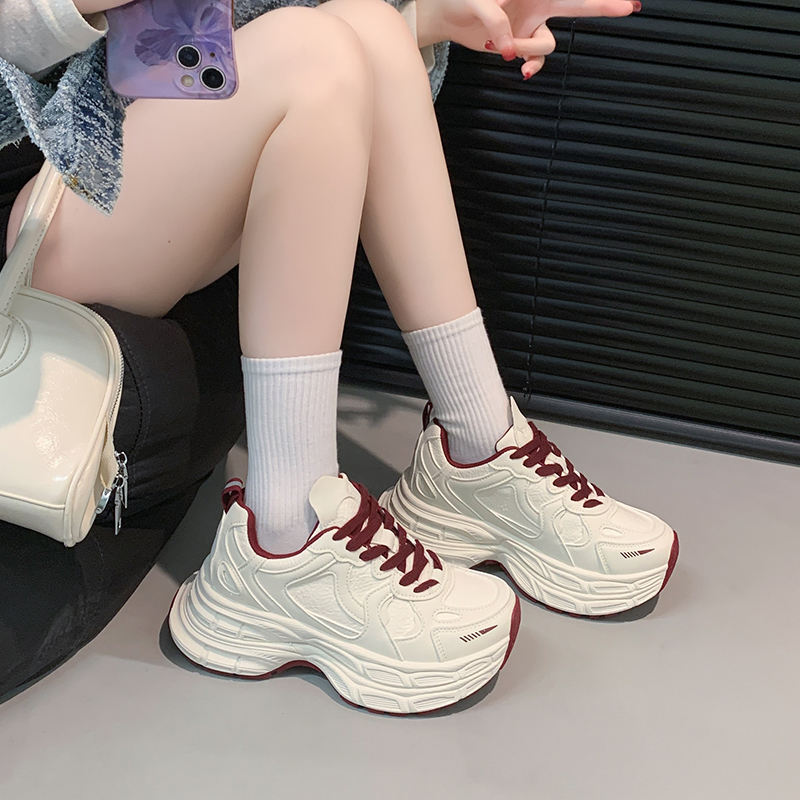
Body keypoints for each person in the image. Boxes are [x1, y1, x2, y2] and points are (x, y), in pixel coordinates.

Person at [0, 0, 677, 714]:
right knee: (312, 53)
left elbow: (194, 46)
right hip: (43, 190)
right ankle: (284, 536)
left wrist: (432, 20)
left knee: (369, 29)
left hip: (149, 145)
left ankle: (476, 445)